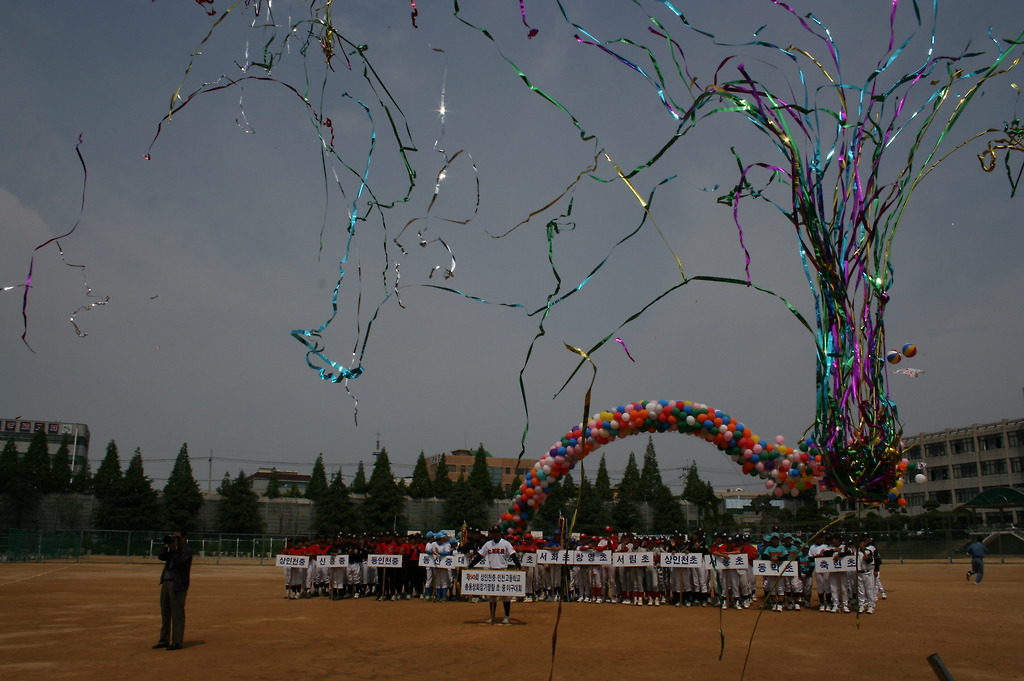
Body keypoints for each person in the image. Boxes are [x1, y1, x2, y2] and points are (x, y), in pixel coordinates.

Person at [466, 525, 523, 624]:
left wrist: (520, 566)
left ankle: (506, 616)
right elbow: (479, 556)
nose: (495, 534)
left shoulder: (506, 544)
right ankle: (492, 616)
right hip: (492, 571)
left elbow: (513, 555)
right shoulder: (488, 544)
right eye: (493, 533)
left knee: (506, 596)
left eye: (497, 532)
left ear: (500, 533)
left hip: (503, 571)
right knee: (492, 596)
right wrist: (470, 566)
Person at [154, 530, 193, 651]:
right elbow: (161, 557)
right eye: (173, 536)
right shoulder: (171, 549)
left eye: (177, 537)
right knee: (165, 613)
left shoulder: (186, 550)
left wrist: (175, 549)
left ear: (184, 537)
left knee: (177, 614)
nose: (174, 539)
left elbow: (179, 562)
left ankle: (177, 641)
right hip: (166, 582)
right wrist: (167, 546)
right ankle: (164, 639)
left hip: (178, 585)